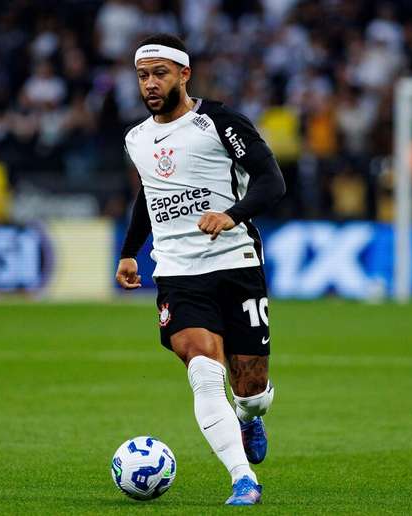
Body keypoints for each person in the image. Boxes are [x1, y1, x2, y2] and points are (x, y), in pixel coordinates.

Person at [115, 34, 285, 506]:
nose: (150, 84)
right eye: (143, 76)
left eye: (160, 74)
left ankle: (249, 416)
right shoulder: (136, 139)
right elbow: (149, 196)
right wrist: (130, 251)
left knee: (250, 388)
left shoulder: (221, 122)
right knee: (203, 370)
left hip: (235, 263)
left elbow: (272, 182)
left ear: (184, 74)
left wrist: (231, 215)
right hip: (177, 272)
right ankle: (243, 480)